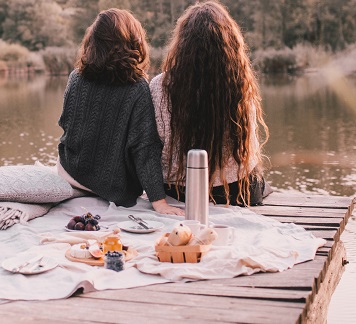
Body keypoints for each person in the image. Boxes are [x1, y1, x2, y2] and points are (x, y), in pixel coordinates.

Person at [56, 8, 184, 216]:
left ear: (93, 42)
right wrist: (159, 202)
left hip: (70, 173)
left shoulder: (75, 78)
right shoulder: (137, 88)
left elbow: (65, 124)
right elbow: (144, 149)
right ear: (134, 43)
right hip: (114, 188)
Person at [150, 1, 270, 206]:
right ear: (230, 44)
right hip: (235, 191)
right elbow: (249, 147)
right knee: (262, 183)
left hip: (178, 191)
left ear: (181, 44)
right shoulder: (240, 84)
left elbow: (154, 144)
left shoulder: (159, 85)